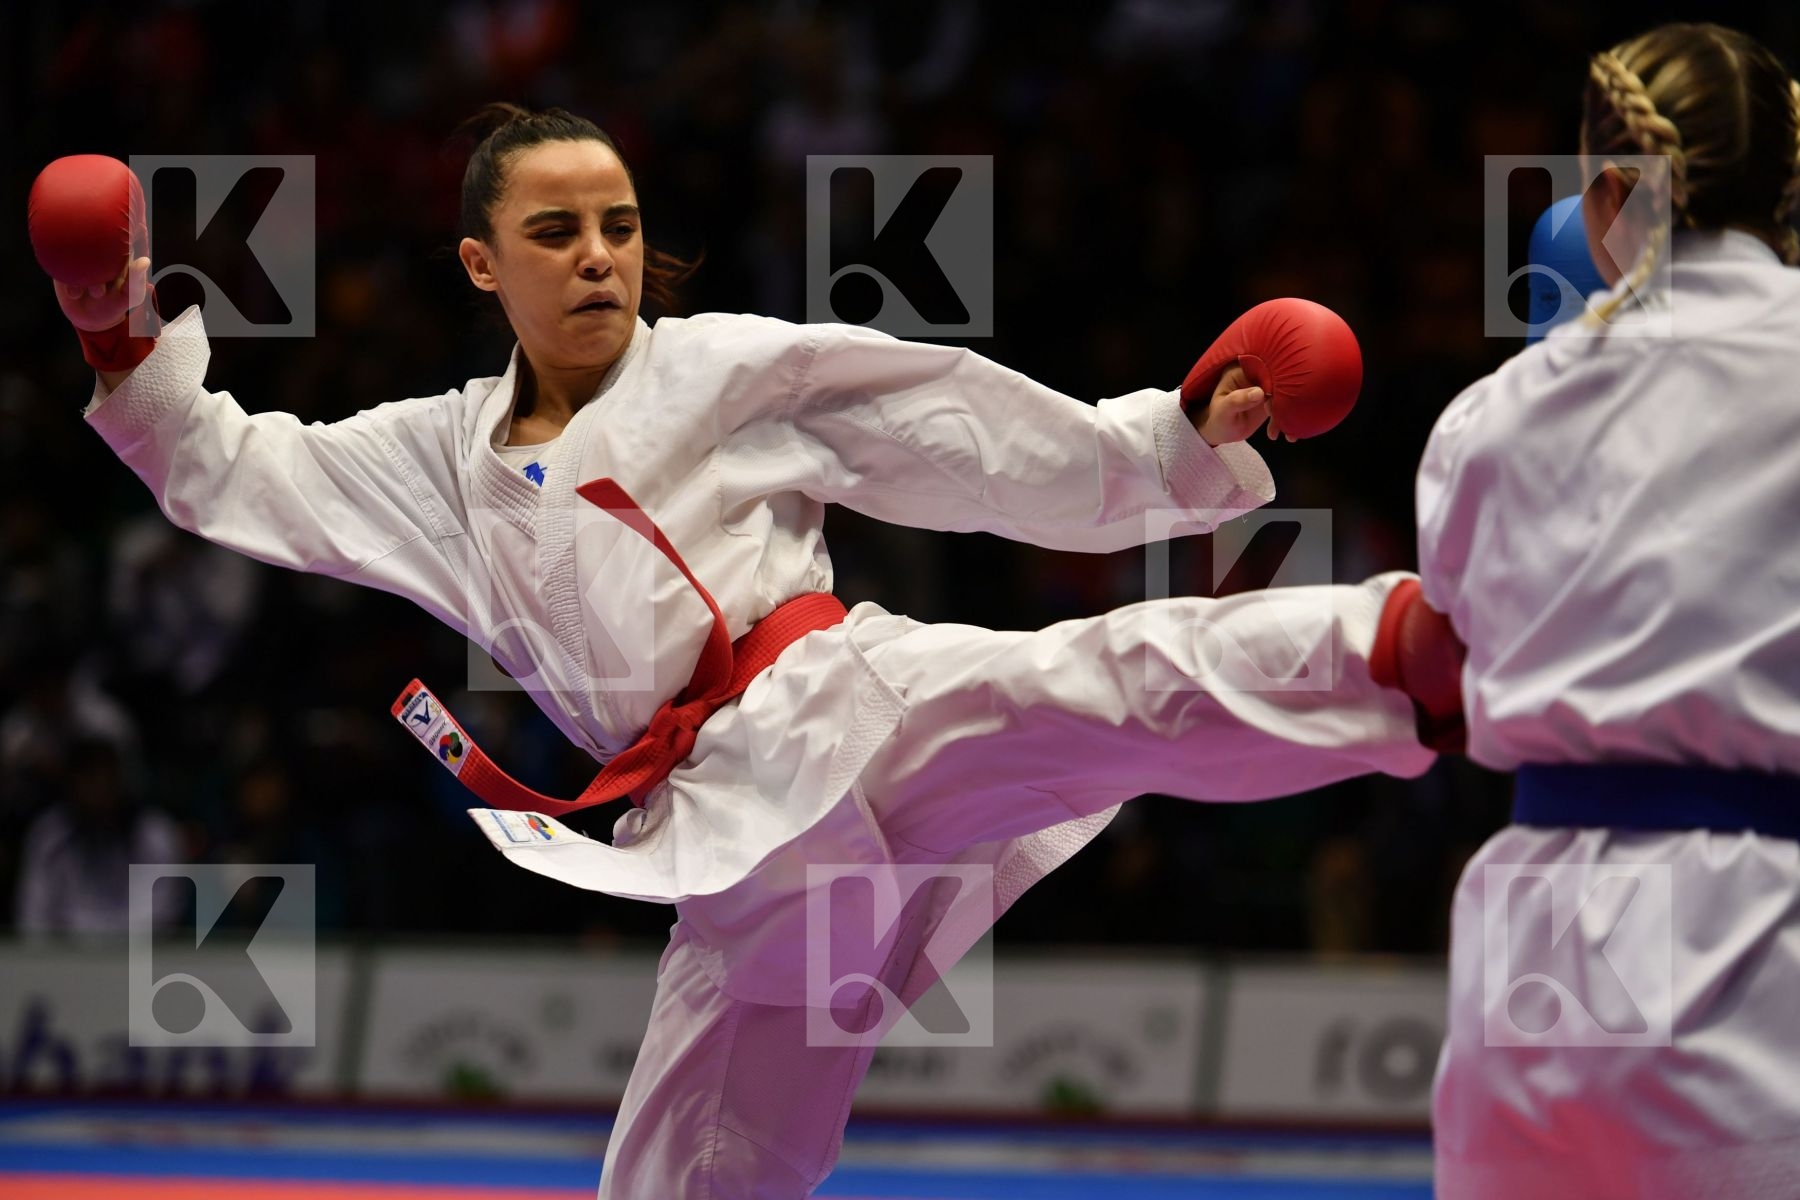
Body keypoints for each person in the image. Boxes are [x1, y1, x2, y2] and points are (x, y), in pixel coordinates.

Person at [35, 104, 1458, 1197]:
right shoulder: (431, 460)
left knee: (1092, 688)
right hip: (731, 846)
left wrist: (1158, 443)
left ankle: (1398, 648)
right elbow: (227, 466)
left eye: (618, 224)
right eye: (554, 232)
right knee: (695, 1172)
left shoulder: (718, 367)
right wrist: (113, 327)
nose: (598, 253)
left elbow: (944, 428)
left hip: (853, 708)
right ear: (480, 262)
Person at [1418, 23, 1800, 1198]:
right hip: (1752, 923)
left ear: (1601, 198)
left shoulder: (1495, 412)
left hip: (1526, 929)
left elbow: (1453, 632)